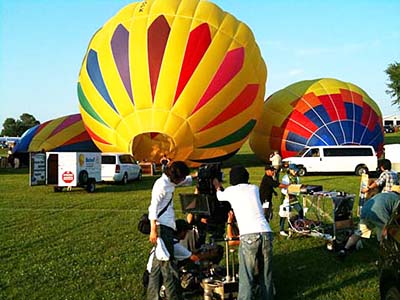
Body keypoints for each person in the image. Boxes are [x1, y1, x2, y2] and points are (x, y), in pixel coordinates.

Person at [213, 165, 274, 300]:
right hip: (266, 232)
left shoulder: (230, 191)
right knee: (266, 273)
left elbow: (219, 196)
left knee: (247, 274)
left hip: (249, 235)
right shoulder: (254, 188)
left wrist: (217, 185)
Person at [147, 161, 194, 300]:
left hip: (164, 228)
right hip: (162, 229)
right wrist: (153, 229)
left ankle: (152, 296)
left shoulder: (169, 182)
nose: (182, 180)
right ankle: (174, 297)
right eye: (182, 177)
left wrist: (196, 177)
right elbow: (153, 207)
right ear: (175, 176)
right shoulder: (162, 186)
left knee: (156, 269)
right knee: (169, 268)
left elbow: (182, 182)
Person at [339, 192, 400, 256]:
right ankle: (386, 253)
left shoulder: (387, 195)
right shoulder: (398, 200)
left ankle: (344, 249)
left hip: (365, 209)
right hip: (378, 211)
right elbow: (395, 218)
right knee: (386, 232)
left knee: (360, 232)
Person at [279, 163, 304, 236]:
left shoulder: (297, 178)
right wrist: (287, 193)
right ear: (290, 170)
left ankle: (298, 226)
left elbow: (297, 187)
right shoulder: (286, 178)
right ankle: (282, 229)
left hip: (294, 198)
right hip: (286, 198)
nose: (295, 172)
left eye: (296, 170)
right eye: (294, 170)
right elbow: (283, 188)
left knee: (300, 211)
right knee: (285, 214)